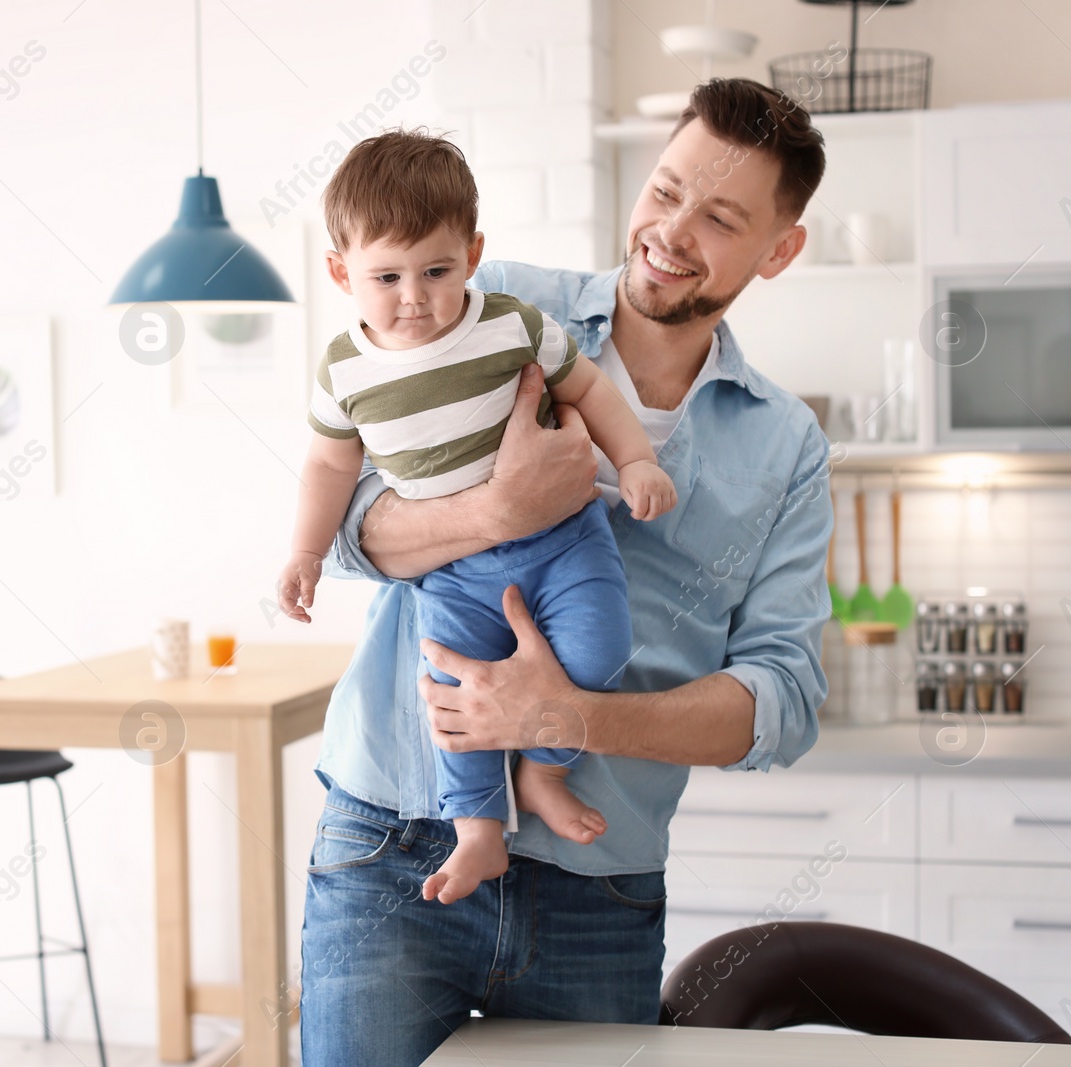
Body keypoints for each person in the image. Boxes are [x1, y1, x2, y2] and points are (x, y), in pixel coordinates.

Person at [297, 77, 834, 1067]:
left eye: (718, 217)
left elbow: (784, 699)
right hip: (392, 842)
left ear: (778, 249)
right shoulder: (482, 307)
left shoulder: (787, 445)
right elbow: (341, 528)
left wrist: (571, 720)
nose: (670, 231)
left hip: (597, 881)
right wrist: (495, 511)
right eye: (665, 190)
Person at [276, 129, 676, 906]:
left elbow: (590, 389)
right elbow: (330, 466)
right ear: (339, 272)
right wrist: (305, 551)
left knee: (601, 650)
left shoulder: (510, 324)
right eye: (385, 276)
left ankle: (543, 772)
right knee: (450, 701)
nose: (415, 296)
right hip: (452, 571)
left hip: (565, 543)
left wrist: (635, 462)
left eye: (437, 270)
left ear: (473, 250)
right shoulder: (344, 371)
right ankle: (479, 833)